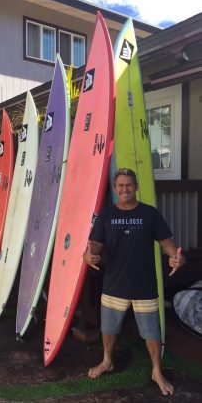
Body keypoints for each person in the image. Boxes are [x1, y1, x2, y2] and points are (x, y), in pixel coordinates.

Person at [83, 168, 185, 396]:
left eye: (129, 185)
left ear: (136, 187)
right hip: (114, 284)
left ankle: (156, 371)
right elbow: (94, 246)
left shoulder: (150, 214)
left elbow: (167, 243)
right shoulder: (106, 216)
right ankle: (107, 361)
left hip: (144, 285)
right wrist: (88, 256)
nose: (125, 189)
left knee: (151, 333)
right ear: (115, 188)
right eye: (120, 185)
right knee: (109, 328)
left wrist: (175, 257)